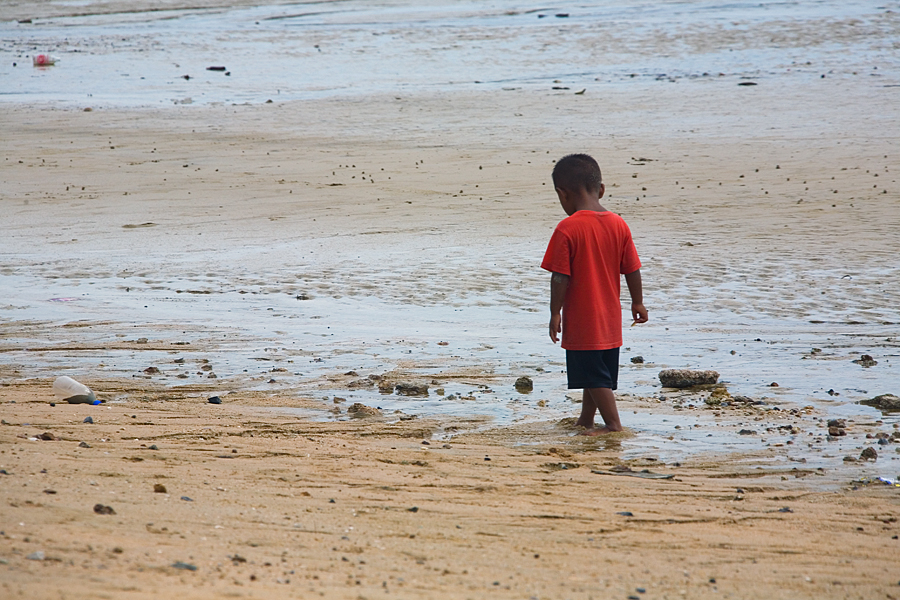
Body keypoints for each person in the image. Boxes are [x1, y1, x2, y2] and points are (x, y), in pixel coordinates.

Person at [541, 154, 648, 435]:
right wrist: (637, 301)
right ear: (601, 189)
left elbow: (559, 277)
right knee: (598, 372)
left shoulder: (568, 228)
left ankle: (613, 425)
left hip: (584, 319)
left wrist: (555, 312)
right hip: (611, 316)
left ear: (561, 194)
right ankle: (586, 419)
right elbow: (632, 269)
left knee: (592, 373)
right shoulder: (618, 224)